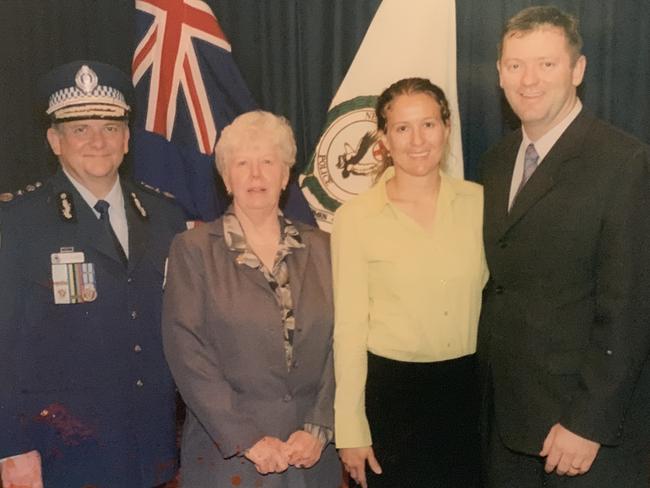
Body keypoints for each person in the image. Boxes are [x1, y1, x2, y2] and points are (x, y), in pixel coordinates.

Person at [479, 6, 650, 487]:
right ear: (499, 74)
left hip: (583, 436)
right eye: (515, 65)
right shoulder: (496, 161)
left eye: (546, 64)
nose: (528, 80)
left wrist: (588, 423)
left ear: (578, 70)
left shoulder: (624, 162)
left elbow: (631, 307)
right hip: (508, 428)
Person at [0, 61, 186, 487]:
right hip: (61, 450)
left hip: (150, 445)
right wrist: (10, 444)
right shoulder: (18, 222)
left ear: (126, 139)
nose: (98, 141)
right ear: (54, 140)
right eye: (80, 129)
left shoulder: (164, 216)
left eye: (109, 126)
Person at [161, 110, 341, 487]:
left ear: (286, 175)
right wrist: (247, 439)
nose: (256, 175)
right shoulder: (193, 250)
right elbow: (186, 352)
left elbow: (342, 344)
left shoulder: (324, 247)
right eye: (242, 163)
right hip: (229, 459)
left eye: (268, 162)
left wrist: (320, 425)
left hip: (310, 456)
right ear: (227, 178)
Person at [332, 78, 488, 488]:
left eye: (428, 124)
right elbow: (348, 329)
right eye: (402, 128)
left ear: (447, 127)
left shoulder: (481, 204)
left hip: (470, 396)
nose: (417, 140)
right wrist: (350, 428)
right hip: (392, 399)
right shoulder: (355, 218)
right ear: (383, 138)